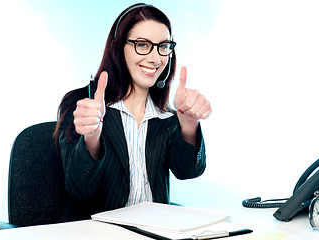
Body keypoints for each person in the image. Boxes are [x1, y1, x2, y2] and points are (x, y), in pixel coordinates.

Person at [54, 3, 212, 222]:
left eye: (163, 46)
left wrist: (188, 124)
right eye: (143, 44)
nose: (155, 59)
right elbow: (79, 188)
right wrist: (92, 138)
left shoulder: (165, 116)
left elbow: (188, 171)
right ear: (119, 48)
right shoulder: (82, 106)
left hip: (155, 231)